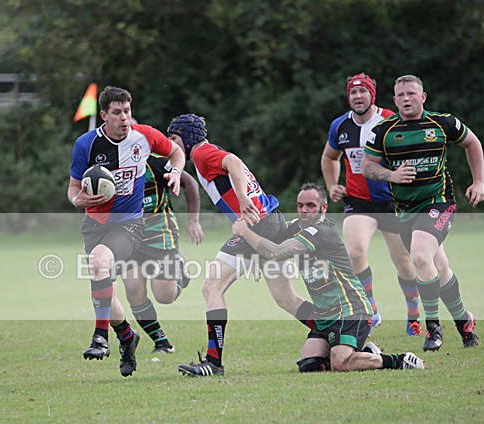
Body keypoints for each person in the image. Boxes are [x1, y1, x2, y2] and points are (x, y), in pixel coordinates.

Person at [167, 114, 318, 377]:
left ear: (188, 138)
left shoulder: (202, 153)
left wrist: (242, 198)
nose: (171, 144)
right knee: (286, 298)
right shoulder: (203, 155)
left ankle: (214, 363)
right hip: (270, 222)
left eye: (174, 138)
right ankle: (338, 331)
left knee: (211, 286)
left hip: (257, 225)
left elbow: (233, 162)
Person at [232, 183, 425, 372]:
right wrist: (256, 257)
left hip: (350, 311)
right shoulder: (296, 227)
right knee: (310, 366)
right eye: (300, 206)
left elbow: (276, 251)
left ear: (324, 207)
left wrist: (244, 232)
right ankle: (367, 352)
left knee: (340, 363)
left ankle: (398, 360)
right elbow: (273, 235)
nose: (304, 210)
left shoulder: (321, 231)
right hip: (326, 316)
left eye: (311, 206)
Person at [361, 74, 484, 351]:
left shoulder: (443, 123)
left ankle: (433, 329)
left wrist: (478, 182)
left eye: (411, 94)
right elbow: (367, 166)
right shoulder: (385, 130)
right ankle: (465, 323)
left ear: (423, 97)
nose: (406, 99)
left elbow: (472, 143)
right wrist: (391, 174)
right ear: (394, 100)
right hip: (404, 212)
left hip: (439, 202)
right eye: (401, 95)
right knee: (438, 270)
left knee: (418, 255)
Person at [68, 86, 185, 377]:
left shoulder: (143, 135)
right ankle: (126, 336)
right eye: (117, 113)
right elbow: (73, 189)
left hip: (130, 223)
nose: (124, 118)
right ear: (104, 115)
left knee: (99, 262)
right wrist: (80, 199)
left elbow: (176, 152)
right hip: (94, 224)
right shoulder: (85, 145)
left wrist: (176, 172)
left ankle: (100, 337)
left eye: (127, 111)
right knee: (106, 290)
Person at [321, 73, 422, 336]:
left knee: (404, 262)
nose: (357, 97)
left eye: (362, 92)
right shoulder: (341, 126)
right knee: (354, 253)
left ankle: (413, 314)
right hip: (358, 202)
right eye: (353, 93)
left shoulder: (390, 121)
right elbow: (329, 157)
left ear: (372, 95)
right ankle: (371, 310)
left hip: (392, 202)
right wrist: (332, 185)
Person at [121, 152, 204, 354]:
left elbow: (190, 183)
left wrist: (193, 221)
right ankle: (162, 343)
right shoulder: (112, 166)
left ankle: (180, 270)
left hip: (160, 232)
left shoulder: (156, 162)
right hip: (128, 236)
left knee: (165, 296)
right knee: (133, 289)